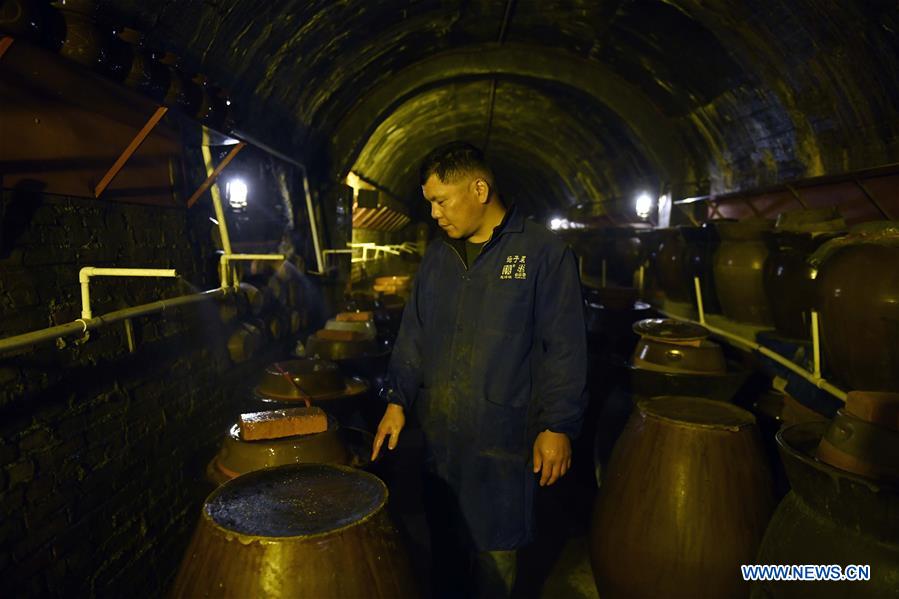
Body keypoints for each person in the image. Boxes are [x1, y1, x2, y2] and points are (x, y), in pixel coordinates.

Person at [371, 141, 587, 597]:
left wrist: (558, 426)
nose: (434, 214)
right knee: (446, 558)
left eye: (441, 200)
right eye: (430, 202)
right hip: (442, 439)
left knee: (495, 564)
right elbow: (414, 335)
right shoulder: (437, 258)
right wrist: (397, 399)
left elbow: (565, 346)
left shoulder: (543, 254)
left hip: (503, 442)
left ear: (480, 189)